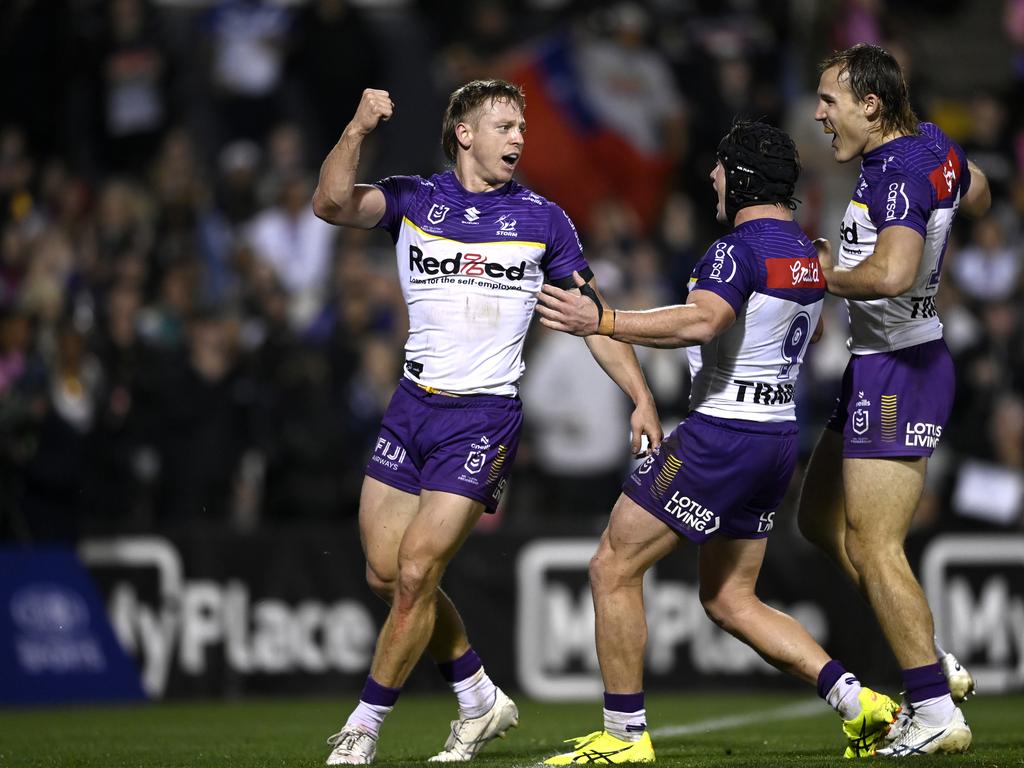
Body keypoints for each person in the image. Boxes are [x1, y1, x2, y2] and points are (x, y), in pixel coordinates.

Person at [311, 79, 662, 765]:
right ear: (464, 134)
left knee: (416, 573)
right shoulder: (414, 199)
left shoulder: (544, 219)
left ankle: (363, 727)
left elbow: (593, 319)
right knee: (384, 575)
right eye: (505, 126)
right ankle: (477, 696)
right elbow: (328, 202)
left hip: (483, 418)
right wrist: (356, 127)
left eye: (522, 128)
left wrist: (640, 393)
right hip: (412, 406)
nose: (519, 138)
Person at [534, 120, 898, 764]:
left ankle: (623, 737)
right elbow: (806, 338)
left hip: (721, 434)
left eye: (723, 166)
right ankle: (859, 703)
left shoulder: (738, 249)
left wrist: (606, 319)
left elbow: (705, 320)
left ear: (745, 176)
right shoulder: (808, 257)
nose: (712, 176)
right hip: (777, 438)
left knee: (611, 568)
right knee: (730, 598)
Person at [799, 43, 991, 757]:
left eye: (829, 101)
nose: (819, 115)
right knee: (818, 520)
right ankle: (929, 659)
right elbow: (979, 191)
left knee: (875, 545)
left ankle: (935, 709)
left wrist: (820, 273)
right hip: (878, 363)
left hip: (899, 367)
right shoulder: (932, 146)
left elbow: (891, 272)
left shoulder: (894, 173)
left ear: (870, 106)